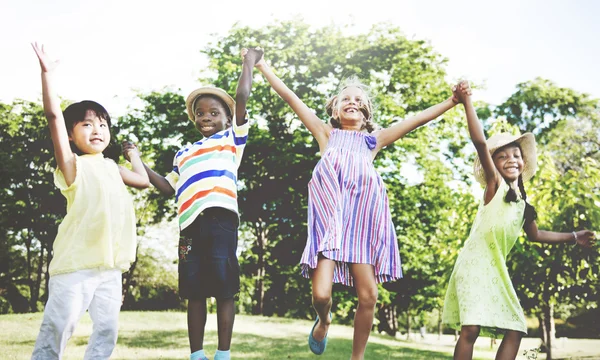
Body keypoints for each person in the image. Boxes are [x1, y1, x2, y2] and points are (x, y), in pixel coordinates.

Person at [254, 50, 459, 359]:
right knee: (321, 295)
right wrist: (261, 65)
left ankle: (357, 357)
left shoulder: (373, 141)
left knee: (369, 295)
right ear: (335, 110)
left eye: (358, 100)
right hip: (331, 228)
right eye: (344, 99)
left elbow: (416, 119)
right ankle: (324, 321)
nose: (351, 102)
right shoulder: (326, 134)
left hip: (362, 228)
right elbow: (290, 96)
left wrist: (452, 101)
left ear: (366, 113)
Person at [442, 81, 596, 360]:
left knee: (515, 327)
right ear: (494, 165)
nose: (510, 159)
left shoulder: (524, 206)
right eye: (502, 157)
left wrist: (574, 236)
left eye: (515, 155)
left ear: (523, 162)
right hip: (474, 263)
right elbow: (479, 142)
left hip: (496, 269)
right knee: (471, 329)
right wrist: (467, 102)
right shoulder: (494, 187)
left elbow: (537, 236)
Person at [135, 48, 262, 360]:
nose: (206, 116)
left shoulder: (232, 139)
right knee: (194, 289)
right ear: (194, 119)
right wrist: (136, 159)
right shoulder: (183, 153)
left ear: (229, 119)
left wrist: (248, 63)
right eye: (201, 113)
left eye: (214, 112)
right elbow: (167, 187)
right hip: (189, 225)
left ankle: (223, 353)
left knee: (223, 286)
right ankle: (196, 354)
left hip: (220, 219)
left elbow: (242, 97)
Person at [30, 42, 150, 360]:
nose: (97, 129)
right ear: (72, 135)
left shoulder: (112, 167)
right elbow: (54, 116)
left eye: (102, 124)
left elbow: (144, 181)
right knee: (59, 328)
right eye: (87, 124)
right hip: (75, 265)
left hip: (110, 267)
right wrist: (47, 74)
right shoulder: (72, 166)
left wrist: (133, 155)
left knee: (106, 332)